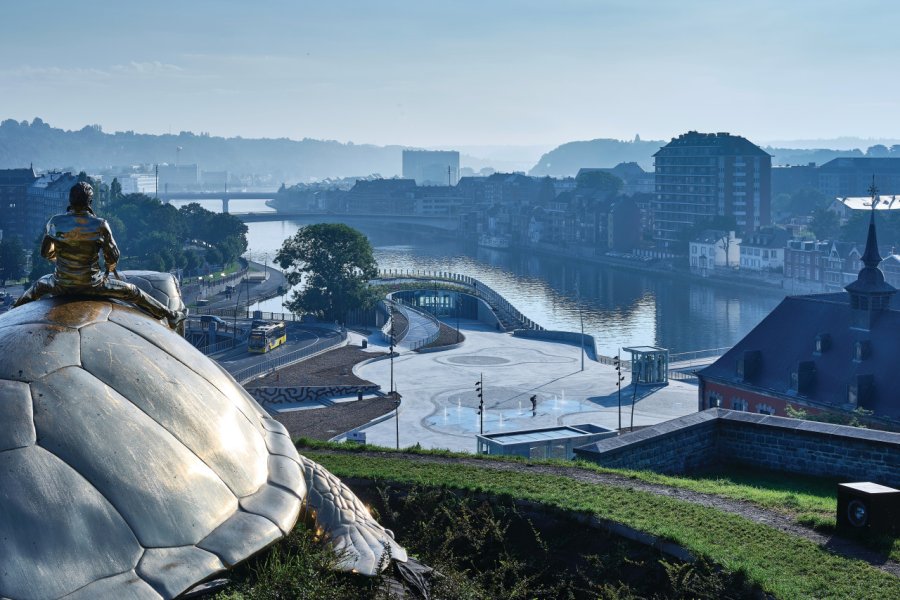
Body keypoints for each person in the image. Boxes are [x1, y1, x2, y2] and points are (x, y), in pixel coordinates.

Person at [13, 182, 186, 330]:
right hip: (92, 285)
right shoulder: (100, 224)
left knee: (37, 287)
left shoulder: (55, 222)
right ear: (90, 202)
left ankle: (11, 314)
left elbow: (45, 253)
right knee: (132, 291)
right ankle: (170, 314)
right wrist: (110, 268)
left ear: (70, 200)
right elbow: (113, 255)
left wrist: (61, 262)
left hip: (60, 284)